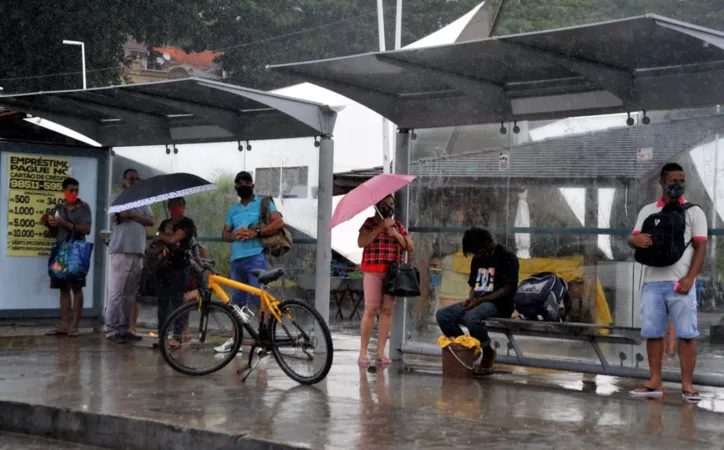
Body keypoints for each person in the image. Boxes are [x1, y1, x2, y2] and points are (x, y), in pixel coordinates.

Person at [628, 162, 706, 401]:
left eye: (681, 180)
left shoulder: (694, 212)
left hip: (680, 283)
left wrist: (690, 278)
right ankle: (654, 381)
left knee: (686, 334)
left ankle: (687, 385)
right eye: (673, 181)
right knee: (653, 333)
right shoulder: (648, 210)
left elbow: (700, 246)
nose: (678, 184)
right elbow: (633, 239)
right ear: (662, 183)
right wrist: (636, 241)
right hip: (652, 282)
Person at [215, 171, 285, 353]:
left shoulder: (264, 202)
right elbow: (225, 235)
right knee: (237, 302)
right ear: (235, 187)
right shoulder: (233, 210)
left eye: (246, 182)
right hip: (236, 259)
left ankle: (265, 340)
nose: (242, 185)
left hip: (256, 257)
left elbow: (279, 223)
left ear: (253, 185)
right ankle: (234, 339)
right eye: (238, 183)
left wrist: (256, 233)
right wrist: (235, 235)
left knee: (259, 299)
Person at [435, 228, 519, 375]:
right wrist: (471, 299)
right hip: (479, 301)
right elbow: (475, 286)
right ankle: (469, 349)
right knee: (443, 315)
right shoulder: (478, 259)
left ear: (487, 243)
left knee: (471, 317)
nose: (477, 255)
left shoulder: (507, 257)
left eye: (478, 250)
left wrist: (480, 300)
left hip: (500, 304)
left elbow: (508, 288)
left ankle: (488, 352)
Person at [357, 194, 414, 367]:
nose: (388, 207)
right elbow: (361, 242)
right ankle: (363, 352)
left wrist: (395, 234)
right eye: (384, 204)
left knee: (387, 310)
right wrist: (379, 227)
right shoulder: (369, 223)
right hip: (373, 271)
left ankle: (381, 352)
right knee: (371, 309)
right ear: (377, 206)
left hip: (392, 273)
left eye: (391, 204)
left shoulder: (397, 225)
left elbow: (410, 246)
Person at [103, 169, 155, 344]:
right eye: (130, 179)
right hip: (120, 250)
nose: (134, 181)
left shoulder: (143, 201)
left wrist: (132, 215)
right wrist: (137, 217)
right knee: (116, 292)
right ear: (123, 180)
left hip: (137, 251)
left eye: (136, 179)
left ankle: (125, 329)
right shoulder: (116, 198)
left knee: (130, 294)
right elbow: (118, 216)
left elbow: (152, 220)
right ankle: (111, 329)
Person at [43, 178, 92, 337]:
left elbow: (86, 229)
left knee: (77, 288)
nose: (74, 193)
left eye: (76, 190)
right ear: (64, 190)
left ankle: (74, 326)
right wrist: (49, 224)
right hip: (60, 250)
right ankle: (63, 324)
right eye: (71, 190)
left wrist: (65, 223)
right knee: (63, 288)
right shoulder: (59, 207)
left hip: (76, 250)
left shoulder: (84, 207)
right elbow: (53, 233)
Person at [152, 197, 196, 348]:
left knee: (177, 301)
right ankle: (161, 335)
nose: (178, 207)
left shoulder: (188, 223)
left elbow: (173, 239)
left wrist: (166, 236)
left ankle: (176, 337)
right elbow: (157, 237)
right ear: (169, 207)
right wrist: (164, 234)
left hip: (180, 266)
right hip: (163, 266)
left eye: (180, 204)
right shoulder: (165, 223)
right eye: (174, 205)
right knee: (163, 302)